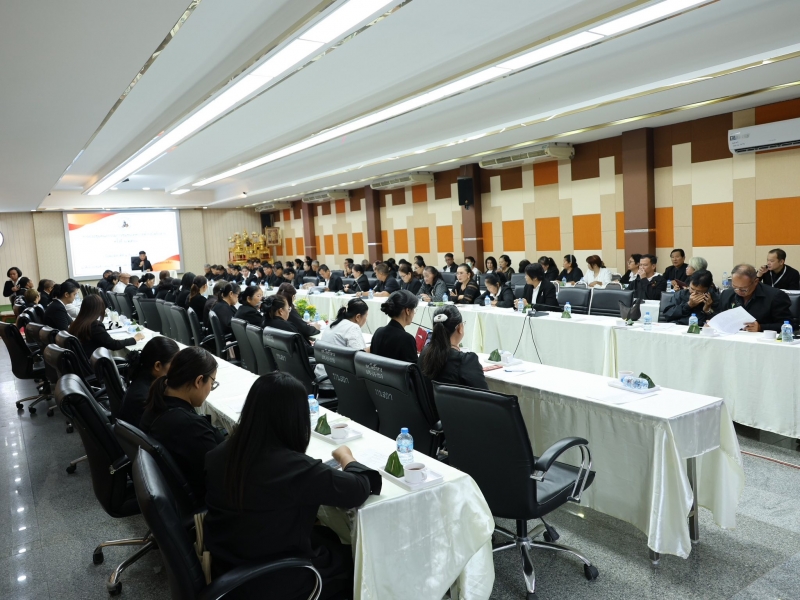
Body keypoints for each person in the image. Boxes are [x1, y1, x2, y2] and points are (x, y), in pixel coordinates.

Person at [203, 373, 380, 597]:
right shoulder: (295, 469)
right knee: (365, 563)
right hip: (276, 579)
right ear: (296, 418)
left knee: (328, 537)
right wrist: (346, 457)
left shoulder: (218, 454)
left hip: (228, 566)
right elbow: (358, 489)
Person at [140, 347, 223, 501]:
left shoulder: (156, 404)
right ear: (199, 381)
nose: (210, 389)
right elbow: (222, 473)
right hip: (207, 501)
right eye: (212, 383)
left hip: (176, 494)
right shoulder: (189, 426)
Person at [418, 306, 487, 396]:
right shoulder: (466, 361)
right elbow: (485, 397)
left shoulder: (424, 352)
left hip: (428, 405)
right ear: (460, 328)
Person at [117, 337, 179, 426]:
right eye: (173, 365)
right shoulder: (145, 399)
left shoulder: (141, 378)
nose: (176, 370)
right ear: (157, 366)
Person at [718, 264, 794, 332]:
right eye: (735, 287)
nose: (738, 291)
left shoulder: (775, 296)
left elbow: (790, 325)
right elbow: (718, 318)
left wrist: (761, 327)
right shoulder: (726, 294)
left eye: (743, 289)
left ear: (756, 282)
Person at [68, 295, 144, 357]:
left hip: (85, 362)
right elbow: (113, 345)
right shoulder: (94, 326)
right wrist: (134, 339)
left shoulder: (77, 322)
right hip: (95, 364)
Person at [372, 291, 418, 363]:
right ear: (408, 311)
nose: (414, 313)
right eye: (414, 310)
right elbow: (413, 369)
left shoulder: (378, 332)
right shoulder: (407, 339)